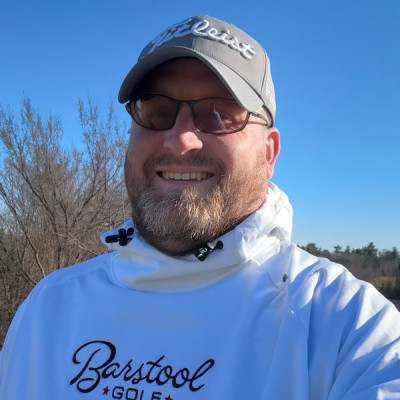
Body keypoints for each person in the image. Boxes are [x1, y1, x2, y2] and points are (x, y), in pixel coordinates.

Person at [0, 14, 399, 400]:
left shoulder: (350, 328)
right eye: (156, 110)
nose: (180, 141)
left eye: (219, 114)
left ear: (269, 152)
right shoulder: (49, 308)